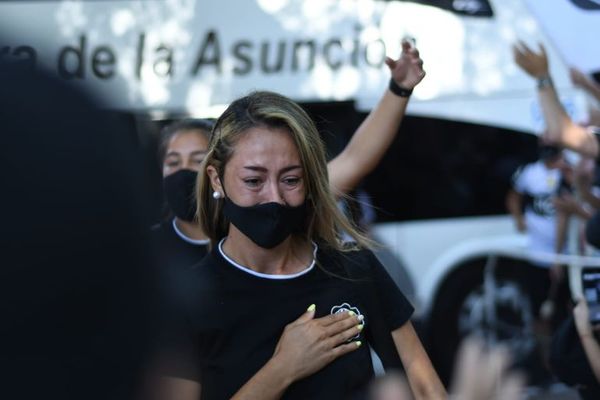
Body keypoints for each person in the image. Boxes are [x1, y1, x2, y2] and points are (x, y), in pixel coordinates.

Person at [156, 90, 446, 399]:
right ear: (216, 180)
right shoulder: (187, 300)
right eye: (254, 181)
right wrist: (283, 369)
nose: (275, 198)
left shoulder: (354, 269)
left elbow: (424, 387)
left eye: (290, 180)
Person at [151, 38, 426, 270]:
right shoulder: (145, 250)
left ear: (216, 170)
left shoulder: (270, 212)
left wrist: (399, 90)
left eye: (196, 160)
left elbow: (355, 158)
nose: (185, 172)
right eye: (173, 162)